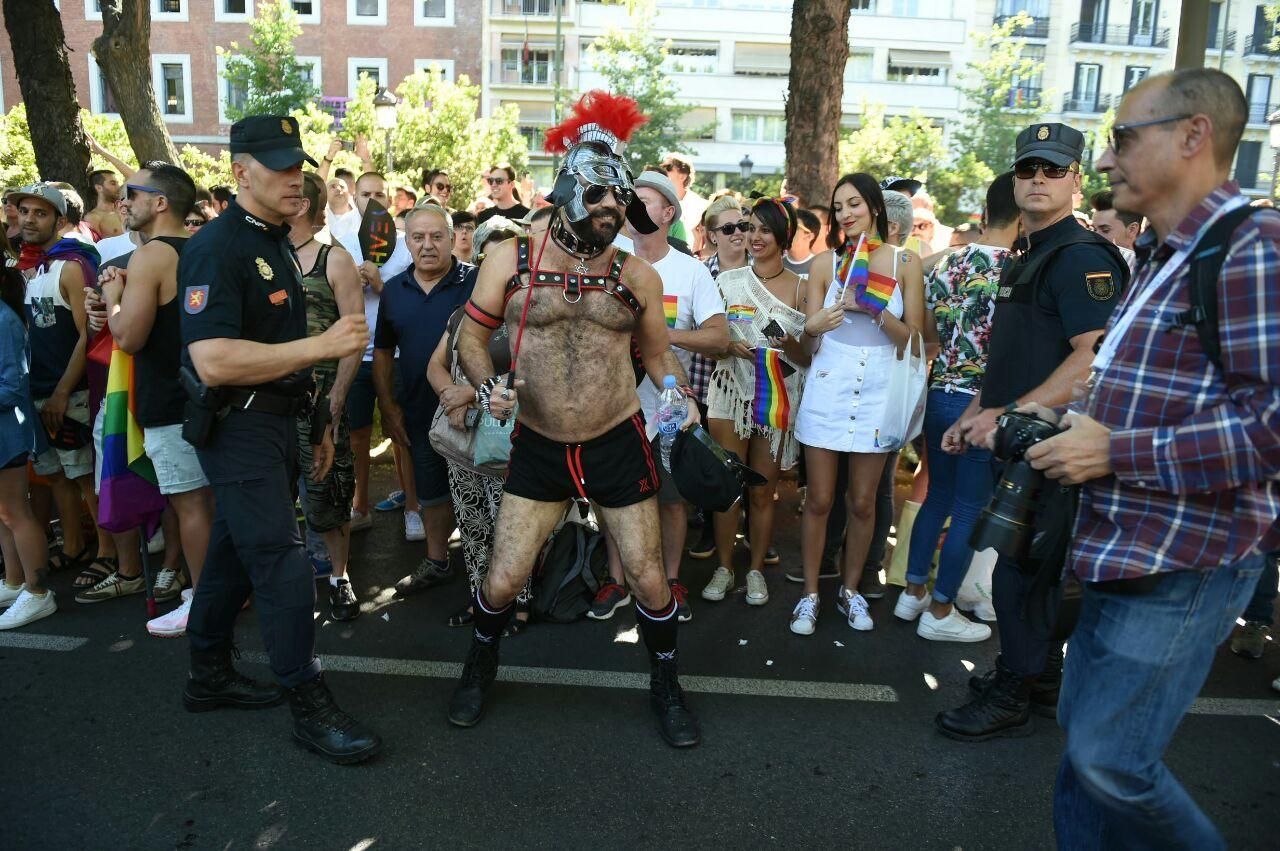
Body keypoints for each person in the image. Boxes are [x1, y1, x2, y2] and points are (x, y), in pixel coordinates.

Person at [1009, 69, 1280, 848]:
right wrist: (1051, 418)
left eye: (1124, 137)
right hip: (1125, 549)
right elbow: (1139, 387)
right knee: (1085, 758)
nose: (1105, 158)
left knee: (1111, 761)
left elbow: (1271, 426)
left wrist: (1116, 450)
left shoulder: (1252, 245)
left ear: (1194, 135)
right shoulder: (1164, 250)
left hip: (1184, 560)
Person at [448, 92, 702, 747]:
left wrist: (678, 397)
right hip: (537, 442)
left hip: (616, 438)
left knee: (648, 576)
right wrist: (487, 386)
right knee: (503, 578)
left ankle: (666, 682)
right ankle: (480, 664)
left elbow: (658, 352)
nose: (609, 218)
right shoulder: (512, 258)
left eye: (619, 209)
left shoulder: (635, 274)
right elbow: (471, 341)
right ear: (565, 194)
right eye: (598, 204)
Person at [179, 115, 380, 764]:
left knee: (234, 553)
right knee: (283, 561)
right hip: (236, 425)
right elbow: (211, 360)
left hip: (278, 421)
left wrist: (319, 421)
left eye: (300, 166)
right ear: (241, 172)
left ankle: (208, 673)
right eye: (281, 167)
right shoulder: (220, 247)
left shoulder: (270, 241)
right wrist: (322, 344)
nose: (299, 178)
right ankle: (307, 698)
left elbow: (283, 356)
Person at [936, 122, 1128, 741]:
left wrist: (1007, 412)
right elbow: (1019, 353)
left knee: (1020, 574)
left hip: (1051, 444)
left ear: (1076, 177)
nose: (1038, 179)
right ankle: (1040, 676)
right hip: (1021, 440)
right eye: (1028, 169)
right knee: (1027, 569)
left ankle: (1015, 689)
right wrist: (977, 413)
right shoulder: (1032, 252)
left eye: (1052, 169)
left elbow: (1092, 358)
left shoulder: (1079, 256)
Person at [791, 173, 925, 636]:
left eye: (855, 204)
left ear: (874, 207)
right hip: (830, 383)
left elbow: (916, 342)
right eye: (839, 206)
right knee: (821, 499)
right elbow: (805, 349)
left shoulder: (906, 262)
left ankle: (850, 592)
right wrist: (813, 327)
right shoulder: (825, 262)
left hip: (880, 387)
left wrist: (874, 309)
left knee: (864, 501)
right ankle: (809, 595)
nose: (846, 213)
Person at [893, 171, 1020, 643]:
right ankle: (941, 610)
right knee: (969, 506)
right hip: (983, 401)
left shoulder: (948, 263)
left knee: (938, 496)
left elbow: (926, 333)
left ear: (984, 213)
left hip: (939, 389)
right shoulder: (1018, 270)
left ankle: (913, 593)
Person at [99, 162, 216, 635]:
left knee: (189, 507)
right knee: (215, 503)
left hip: (170, 400)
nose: (123, 201)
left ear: (160, 202)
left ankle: (205, 602)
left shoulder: (150, 257)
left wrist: (112, 297)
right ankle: (222, 591)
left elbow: (127, 336)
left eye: (132, 192)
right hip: (211, 395)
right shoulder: (205, 249)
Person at [628, 170, 729, 622]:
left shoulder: (690, 270)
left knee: (670, 503)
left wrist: (663, 336)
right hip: (616, 407)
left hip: (669, 408)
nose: (632, 207)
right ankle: (620, 580)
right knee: (618, 501)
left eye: (644, 201)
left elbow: (720, 337)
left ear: (669, 212)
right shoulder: (611, 261)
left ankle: (670, 583)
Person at [700, 198, 809, 608]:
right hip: (729, 392)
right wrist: (729, 345)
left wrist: (790, 343)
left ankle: (757, 569)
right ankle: (725, 567)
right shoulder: (727, 282)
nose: (754, 237)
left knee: (763, 493)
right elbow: (709, 345)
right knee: (728, 487)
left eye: (764, 229)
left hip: (775, 400)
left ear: (783, 235)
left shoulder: (801, 288)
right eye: (749, 228)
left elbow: (808, 358)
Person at [374, 205, 476, 596]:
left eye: (437, 236)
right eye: (418, 237)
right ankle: (437, 561)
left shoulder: (477, 282)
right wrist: (388, 407)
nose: (428, 245)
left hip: (475, 410)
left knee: (482, 491)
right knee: (431, 492)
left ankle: (491, 569)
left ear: (452, 238)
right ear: (407, 241)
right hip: (419, 409)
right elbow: (383, 352)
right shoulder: (395, 291)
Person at [13, 184, 102, 582]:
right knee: (57, 475)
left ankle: (110, 554)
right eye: (25, 211)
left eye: (41, 213)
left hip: (72, 394)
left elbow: (89, 335)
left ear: (61, 221)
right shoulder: (34, 266)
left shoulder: (71, 264)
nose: (29, 219)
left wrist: (63, 392)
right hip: (39, 390)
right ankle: (72, 546)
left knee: (85, 478)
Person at [426, 305, 532, 633]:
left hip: (508, 442)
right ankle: (480, 599)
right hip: (463, 441)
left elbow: (534, 375)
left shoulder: (528, 314)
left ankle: (519, 601)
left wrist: (470, 394)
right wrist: (451, 397)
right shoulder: (461, 315)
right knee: (473, 525)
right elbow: (435, 365)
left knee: (513, 526)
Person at [289, 172, 363, 621]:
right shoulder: (263, 258)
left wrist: (336, 398)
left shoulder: (332, 261)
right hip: (269, 402)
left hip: (319, 402)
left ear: (300, 205)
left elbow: (355, 336)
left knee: (328, 493)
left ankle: (340, 577)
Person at [333, 171, 419, 541]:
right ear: (355, 196)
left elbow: (416, 300)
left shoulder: (405, 245)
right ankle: (360, 507)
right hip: (355, 357)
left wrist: (382, 285)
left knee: (402, 434)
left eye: (379, 193)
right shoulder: (342, 245)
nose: (372, 199)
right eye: (365, 193)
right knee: (357, 437)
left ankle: (413, 508)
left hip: (397, 356)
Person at [0, 230, 54, 630]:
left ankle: (38, 592)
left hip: (8, 433)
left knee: (15, 511)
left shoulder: (3, 319)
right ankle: (15, 580)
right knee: (3, 514)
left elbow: (13, 385)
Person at [660, 153, 709, 250]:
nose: (664, 172)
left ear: (683, 176)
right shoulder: (659, 202)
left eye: (669, 168)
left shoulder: (700, 205)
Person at [85, 170, 125, 239]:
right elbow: (95, 247)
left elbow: (133, 175)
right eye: (113, 184)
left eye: (118, 183)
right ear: (99, 188)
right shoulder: (93, 218)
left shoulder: (125, 210)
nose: (118, 187)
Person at [784, 207, 821, 275]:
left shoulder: (820, 268)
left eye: (794, 227)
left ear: (809, 236)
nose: (787, 231)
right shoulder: (775, 263)